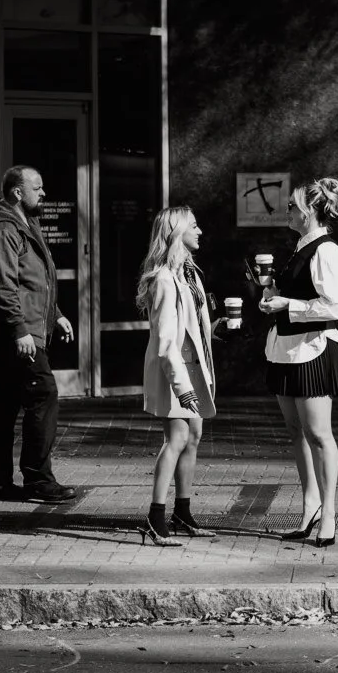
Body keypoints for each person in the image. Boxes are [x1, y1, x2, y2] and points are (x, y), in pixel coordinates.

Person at [0, 165, 75, 503]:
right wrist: (19, 330)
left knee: (4, 404)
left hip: (21, 328)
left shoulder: (26, 225)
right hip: (16, 332)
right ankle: (38, 480)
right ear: (17, 191)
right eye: (37, 188)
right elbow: (4, 284)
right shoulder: (4, 230)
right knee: (43, 394)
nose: (43, 194)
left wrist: (55, 314)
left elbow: (34, 280)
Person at [258, 176, 338, 548]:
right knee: (296, 432)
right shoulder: (300, 247)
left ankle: (328, 513)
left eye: (293, 206)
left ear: (310, 211)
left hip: (314, 348)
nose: (288, 212)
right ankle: (310, 503)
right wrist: (273, 295)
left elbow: (336, 307)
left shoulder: (326, 251)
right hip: (286, 348)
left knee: (319, 434)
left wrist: (287, 305)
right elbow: (299, 295)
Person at [138, 206, 218, 544]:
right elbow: (167, 340)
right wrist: (181, 387)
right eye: (194, 226)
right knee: (177, 440)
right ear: (176, 232)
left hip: (193, 369)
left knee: (193, 437)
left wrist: (218, 328)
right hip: (177, 372)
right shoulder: (164, 280)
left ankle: (182, 512)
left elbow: (193, 329)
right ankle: (156, 518)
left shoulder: (189, 273)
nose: (200, 231)